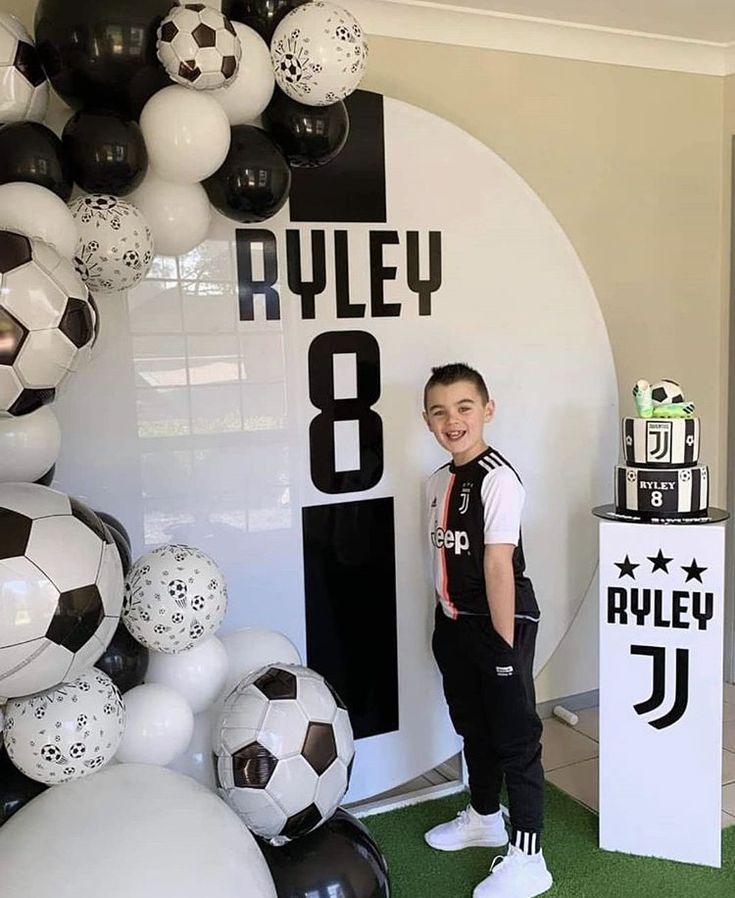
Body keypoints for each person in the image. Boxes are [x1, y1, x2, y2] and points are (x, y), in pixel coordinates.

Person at [423, 362, 552, 898]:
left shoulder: (499, 476)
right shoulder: (436, 480)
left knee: (515, 739)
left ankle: (530, 858)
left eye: (464, 407)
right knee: (473, 727)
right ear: (428, 421)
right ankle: (483, 816)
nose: (452, 420)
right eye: (439, 411)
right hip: (453, 624)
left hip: (500, 625)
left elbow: (499, 565)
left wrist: (504, 647)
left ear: (487, 410)